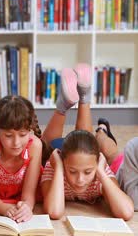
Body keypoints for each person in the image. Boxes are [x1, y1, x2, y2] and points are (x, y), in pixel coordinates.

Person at [41, 63, 134, 220]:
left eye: (87, 172)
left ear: (97, 163)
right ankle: (79, 97)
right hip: (68, 152)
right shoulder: (55, 167)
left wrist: (100, 172)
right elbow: (54, 212)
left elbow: (126, 212)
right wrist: (59, 169)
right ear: (63, 163)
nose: (80, 180)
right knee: (45, 150)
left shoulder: (100, 171)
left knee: (103, 146)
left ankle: (100, 126)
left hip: (89, 151)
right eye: (72, 171)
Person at [0, 95, 44, 223]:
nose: (16, 143)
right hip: (0, 199)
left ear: (29, 130)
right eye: (9, 135)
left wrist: (27, 207)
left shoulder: (35, 146)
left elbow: (29, 196)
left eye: (23, 135)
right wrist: (5, 209)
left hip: (24, 197)